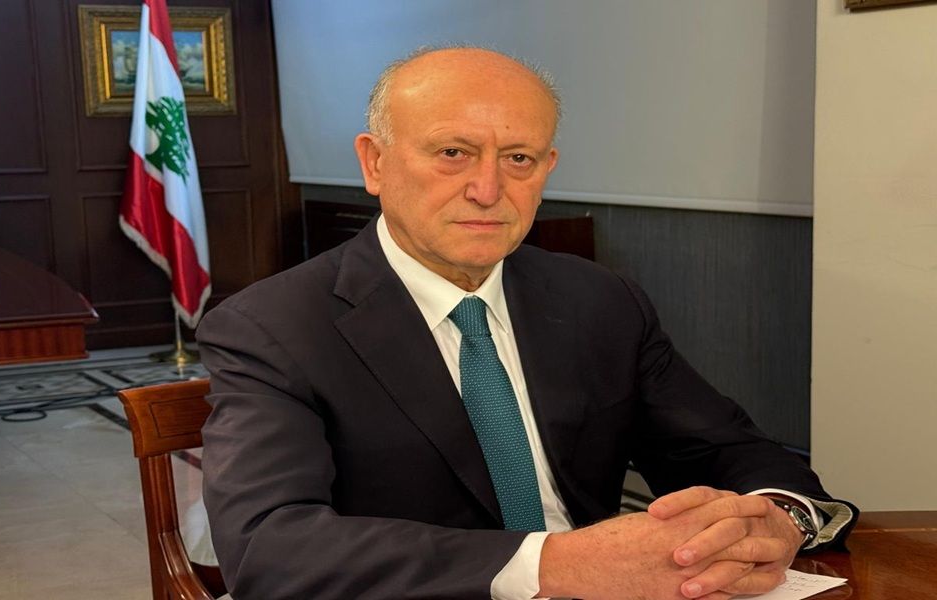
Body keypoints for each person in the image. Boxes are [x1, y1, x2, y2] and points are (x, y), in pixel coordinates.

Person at [197, 47, 856, 600]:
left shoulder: (599, 299)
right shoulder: (271, 328)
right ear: (374, 162)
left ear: (548, 169)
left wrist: (783, 517)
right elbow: (269, 547)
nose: (488, 190)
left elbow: (725, 448)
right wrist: (559, 563)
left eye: (518, 158)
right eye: (452, 152)